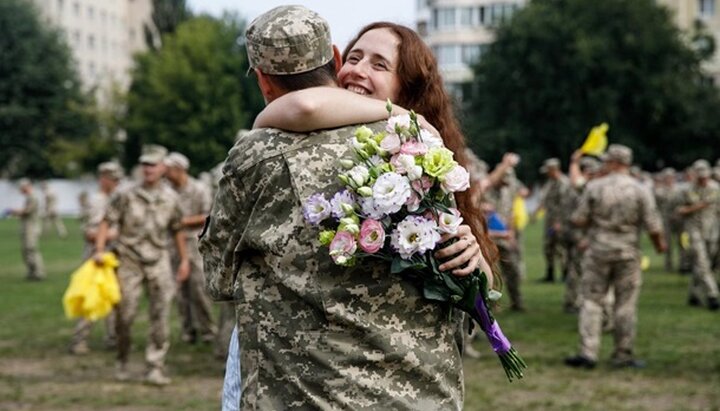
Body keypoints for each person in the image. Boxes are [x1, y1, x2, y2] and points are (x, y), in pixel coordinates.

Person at [201, 6, 494, 409]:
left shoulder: (413, 157)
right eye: (355, 58)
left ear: (263, 80)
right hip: (418, 393)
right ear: (336, 60)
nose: (359, 71)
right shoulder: (418, 146)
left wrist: (476, 261)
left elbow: (218, 278)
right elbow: (304, 108)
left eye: (379, 64)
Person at [94, 145, 190, 386]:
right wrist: (99, 251)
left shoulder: (171, 198)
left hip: (159, 260)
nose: (148, 169)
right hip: (129, 260)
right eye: (144, 164)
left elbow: (177, 229)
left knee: (160, 314)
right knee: (125, 315)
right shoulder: (125, 193)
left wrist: (184, 260)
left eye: (153, 165)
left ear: (163, 169)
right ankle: (122, 360)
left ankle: (155, 366)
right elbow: (106, 221)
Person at [565, 144, 666, 369]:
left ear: (613, 162)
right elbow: (653, 226)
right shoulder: (640, 189)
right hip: (628, 252)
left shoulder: (595, 187)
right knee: (625, 304)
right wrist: (660, 247)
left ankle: (588, 353)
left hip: (598, 250)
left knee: (592, 301)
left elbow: (579, 219)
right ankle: (623, 354)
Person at [69, 162, 124, 355]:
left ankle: (113, 338)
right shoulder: (96, 200)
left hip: (117, 256)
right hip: (96, 256)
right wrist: (114, 234)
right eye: (112, 179)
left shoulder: (119, 198)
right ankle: (79, 340)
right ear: (103, 179)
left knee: (114, 297)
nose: (116, 183)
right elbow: (90, 233)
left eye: (118, 179)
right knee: (91, 298)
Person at [164, 152, 217, 343]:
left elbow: (209, 214)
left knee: (199, 287)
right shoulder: (167, 190)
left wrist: (182, 221)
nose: (166, 172)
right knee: (179, 290)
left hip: (195, 243)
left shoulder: (199, 189)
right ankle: (188, 330)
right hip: (172, 244)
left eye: (169, 169)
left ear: (179, 169)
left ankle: (208, 329)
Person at [676, 159, 720, 310]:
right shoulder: (685, 189)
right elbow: (679, 210)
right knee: (702, 262)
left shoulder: (716, 188)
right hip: (693, 231)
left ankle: (694, 294)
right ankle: (712, 295)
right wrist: (697, 206)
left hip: (712, 231)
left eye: (705, 176)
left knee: (706, 265)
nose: (703, 179)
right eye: (700, 176)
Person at [535, 158, 571, 283]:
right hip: (550, 220)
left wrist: (559, 222)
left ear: (554, 169)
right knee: (548, 247)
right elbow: (546, 200)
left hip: (559, 221)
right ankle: (550, 274)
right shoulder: (551, 182)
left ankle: (565, 274)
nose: (547, 173)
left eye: (548, 171)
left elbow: (565, 205)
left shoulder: (564, 183)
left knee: (561, 248)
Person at [8, 179, 45, 281]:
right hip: (27, 227)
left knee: (31, 249)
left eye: (22, 187)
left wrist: (13, 211)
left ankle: (39, 272)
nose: (20, 190)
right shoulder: (29, 197)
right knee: (25, 250)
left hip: (31, 227)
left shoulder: (33, 197)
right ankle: (31, 271)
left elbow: (27, 211)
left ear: (27, 186)